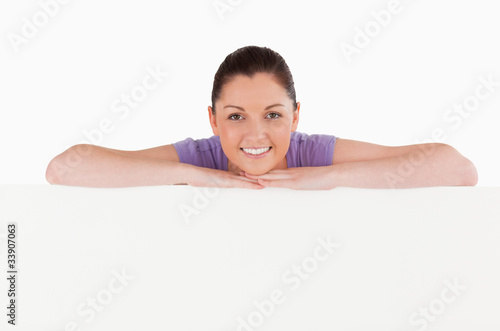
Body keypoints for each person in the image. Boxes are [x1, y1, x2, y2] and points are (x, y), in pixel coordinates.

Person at [45, 45, 478, 190]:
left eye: (273, 114)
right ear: (213, 121)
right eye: (236, 116)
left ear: (295, 117)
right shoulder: (201, 156)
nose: (256, 134)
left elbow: (459, 170)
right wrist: (193, 176)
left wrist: (324, 179)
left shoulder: (315, 152)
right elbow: (63, 169)